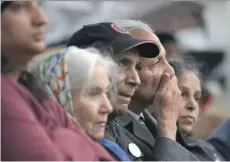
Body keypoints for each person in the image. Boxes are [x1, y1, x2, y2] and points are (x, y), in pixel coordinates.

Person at [66, 21, 199, 161]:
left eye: (137, 67)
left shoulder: (114, 126)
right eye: (121, 63)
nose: (135, 80)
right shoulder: (75, 135)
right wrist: (167, 130)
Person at [1, 1, 113, 160]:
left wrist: (61, 139)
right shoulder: (5, 97)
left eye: (39, 5)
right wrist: (71, 139)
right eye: (19, 7)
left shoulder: (39, 99)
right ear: (62, 94)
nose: (42, 19)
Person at [169, 61, 225, 161]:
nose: (193, 106)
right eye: (183, 94)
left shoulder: (207, 149)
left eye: (197, 98)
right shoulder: (150, 148)